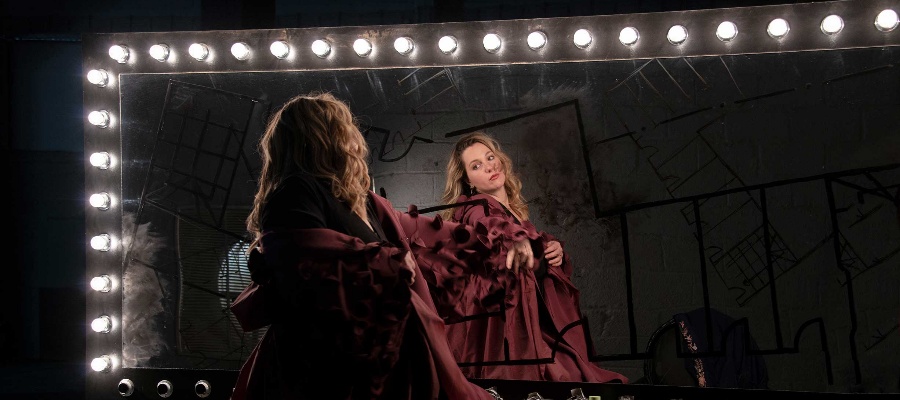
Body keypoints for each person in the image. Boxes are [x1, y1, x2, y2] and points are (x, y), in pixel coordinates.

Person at [228, 93, 536, 400]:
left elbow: (432, 232)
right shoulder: (294, 192)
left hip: (375, 360)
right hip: (325, 369)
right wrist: (387, 262)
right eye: (343, 127)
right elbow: (304, 260)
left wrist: (506, 238)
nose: (355, 138)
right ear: (321, 137)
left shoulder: (362, 202)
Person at [436, 131, 629, 383]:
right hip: (506, 333)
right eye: (476, 165)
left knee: (573, 372)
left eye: (490, 157)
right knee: (563, 376)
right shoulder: (474, 207)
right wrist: (515, 239)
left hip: (532, 324)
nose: (489, 166)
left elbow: (530, 251)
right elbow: (489, 226)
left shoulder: (515, 213)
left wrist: (553, 249)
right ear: (468, 181)